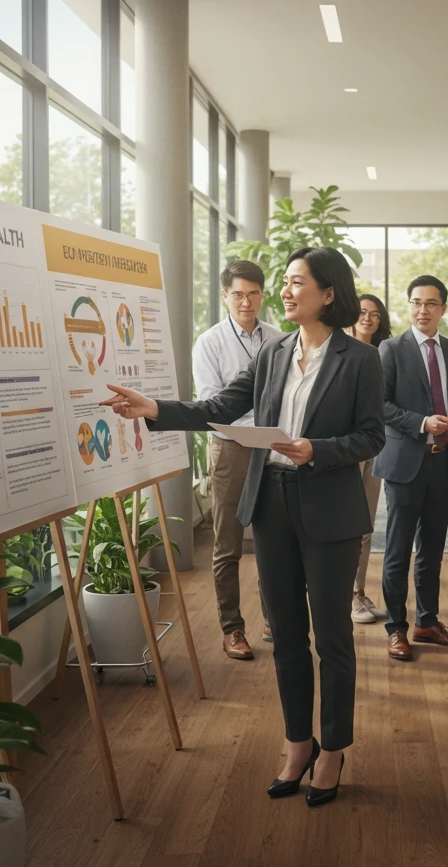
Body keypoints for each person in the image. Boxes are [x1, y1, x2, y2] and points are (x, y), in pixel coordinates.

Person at [101, 246, 384, 807]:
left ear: (328, 293)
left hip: (328, 505)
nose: (284, 290)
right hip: (272, 503)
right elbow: (225, 404)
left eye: (296, 282)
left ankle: (333, 751)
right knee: (285, 638)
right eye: (284, 282)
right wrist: (156, 409)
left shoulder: (359, 359)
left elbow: (372, 436)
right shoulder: (276, 350)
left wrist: (316, 449)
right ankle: (297, 743)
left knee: (332, 638)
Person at [375, 275, 448, 660]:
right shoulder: (390, 348)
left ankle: (427, 621)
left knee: (432, 550)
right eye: (416, 302)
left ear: (443, 309)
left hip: (443, 462)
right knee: (398, 551)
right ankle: (396, 628)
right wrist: (421, 422)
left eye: (431, 303)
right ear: (409, 305)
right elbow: (379, 405)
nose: (422, 310)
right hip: (404, 463)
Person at [192, 259, 283, 660]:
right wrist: (257, 422)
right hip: (229, 449)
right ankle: (232, 628)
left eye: (254, 293)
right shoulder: (209, 342)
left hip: (273, 449)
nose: (246, 301)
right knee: (228, 543)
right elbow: (214, 403)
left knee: (274, 540)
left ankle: (274, 619)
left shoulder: (281, 339)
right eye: (238, 294)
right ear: (225, 295)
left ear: (262, 295)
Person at [347, 294, 392, 625]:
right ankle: (347, 596)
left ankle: (359, 591)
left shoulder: (383, 353)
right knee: (345, 525)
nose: (368, 318)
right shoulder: (339, 351)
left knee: (364, 525)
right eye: (363, 312)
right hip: (346, 447)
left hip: (374, 446)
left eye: (375, 314)